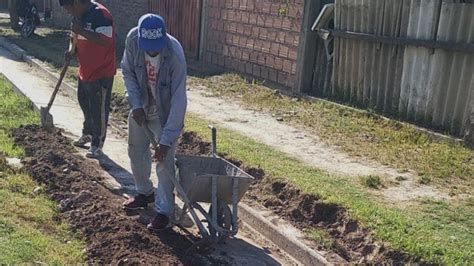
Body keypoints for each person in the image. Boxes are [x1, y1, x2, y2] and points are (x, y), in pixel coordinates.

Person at [121, 14, 187, 232]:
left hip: (164, 112)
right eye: (148, 47)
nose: (152, 51)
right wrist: (136, 104)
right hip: (141, 105)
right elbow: (128, 72)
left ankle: (164, 212)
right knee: (135, 150)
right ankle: (144, 192)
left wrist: (167, 141)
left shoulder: (175, 55)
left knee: (164, 161)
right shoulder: (132, 41)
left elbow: (179, 101)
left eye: (156, 47)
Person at [59, 0, 116, 158]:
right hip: (85, 69)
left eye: (68, 9)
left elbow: (106, 41)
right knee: (84, 101)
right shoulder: (77, 17)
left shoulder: (101, 15)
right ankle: (88, 133)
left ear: (76, 3)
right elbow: (74, 38)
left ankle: (98, 143)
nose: (68, 13)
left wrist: (82, 31)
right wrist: (71, 51)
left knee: (98, 108)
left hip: (102, 71)